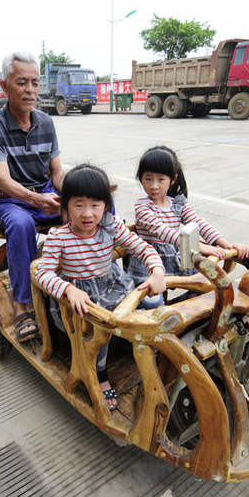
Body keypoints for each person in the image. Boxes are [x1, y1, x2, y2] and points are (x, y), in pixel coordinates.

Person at [35, 164, 166, 410]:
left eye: (95, 205)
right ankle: (100, 372)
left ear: (106, 205)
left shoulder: (111, 226)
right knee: (98, 331)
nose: (87, 213)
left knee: (154, 303)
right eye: (79, 204)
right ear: (66, 206)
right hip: (83, 296)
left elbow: (144, 248)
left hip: (113, 285)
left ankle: (143, 346)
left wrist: (157, 271)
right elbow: (43, 272)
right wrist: (69, 290)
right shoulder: (59, 236)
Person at [0, 51, 64, 342]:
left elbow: (57, 174)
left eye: (35, 83)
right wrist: (38, 200)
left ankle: (93, 271)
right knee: (21, 224)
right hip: (9, 199)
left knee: (94, 206)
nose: (30, 90)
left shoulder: (46, 122)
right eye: (21, 82)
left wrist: (80, 191)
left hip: (44, 192)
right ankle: (23, 305)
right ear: (5, 87)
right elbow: (2, 179)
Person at [127, 145, 249, 294]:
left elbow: (199, 224)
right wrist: (199, 246)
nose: (154, 186)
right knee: (150, 301)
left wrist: (226, 246)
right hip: (149, 262)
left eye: (161, 179)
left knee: (207, 285)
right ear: (140, 178)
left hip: (176, 257)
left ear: (173, 179)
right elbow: (163, 232)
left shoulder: (178, 204)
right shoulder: (142, 207)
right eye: (148, 178)